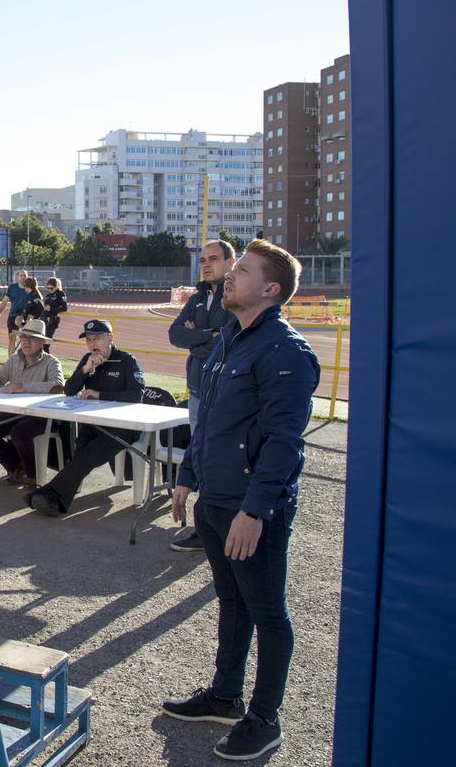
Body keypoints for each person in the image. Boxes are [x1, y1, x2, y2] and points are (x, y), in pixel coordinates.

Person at [161, 239, 320, 762]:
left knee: (267, 612)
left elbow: (284, 442)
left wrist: (255, 511)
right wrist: (187, 474)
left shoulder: (286, 351)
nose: (230, 276)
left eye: (244, 271)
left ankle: (263, 719)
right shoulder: (231, 337)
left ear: (271, 289)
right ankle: (226, 696)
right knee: (232, 603)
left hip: (251, 508)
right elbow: (208, 421)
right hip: (214, 498)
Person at [23, 319, 145, 517]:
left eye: (97, 338)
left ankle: (48, 494)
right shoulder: (88, 359)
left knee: (85, 457)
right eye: (88, 340)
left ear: (110, 339)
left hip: (120, 427)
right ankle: (55, 501)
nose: (92, 344)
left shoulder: (126, 360)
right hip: (93, 424)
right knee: (80, 456)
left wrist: (100, 394)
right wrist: (85, 370)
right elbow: (69, 390)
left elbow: (136, 395)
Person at [166, 239, 236, 552]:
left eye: (214, 259)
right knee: (202, 461)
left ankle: (223, 527)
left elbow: (230, 339)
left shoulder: (235, 295)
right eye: (203, 259)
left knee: (224, 462)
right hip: (197, 393)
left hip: (224, 395)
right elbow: (175, 334)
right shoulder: (196, 297)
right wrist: (209, 335)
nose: (206, 265)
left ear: (230, 262)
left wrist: (196, 338)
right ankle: (205, 527)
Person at [0, 319, 65, 486]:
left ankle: (33, 475)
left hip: (41, 415)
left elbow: (58, 387)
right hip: (14, 412)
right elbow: (0, 375)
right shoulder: (14, 359)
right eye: (23, 337)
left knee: (20, 432)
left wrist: (23, 387)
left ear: (41, 342)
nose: (26, 342)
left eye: (31, 338)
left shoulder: (51, 362)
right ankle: (16, 467)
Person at [0, 270, 30, 355]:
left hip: (25, 318)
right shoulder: (12, 287)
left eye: (24, 275)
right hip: (13, 316)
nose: (22, 277)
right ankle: (10, 361)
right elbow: (5, 301)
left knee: (24, 341)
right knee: (11, 339)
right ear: (18, 277)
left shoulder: (29, 288)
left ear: (27, 277)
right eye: (21, 275)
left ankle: (23, 362)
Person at [41, 277, 69, 351]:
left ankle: (47, 360)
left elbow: (64, 308)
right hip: (44, 319)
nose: (50, 290)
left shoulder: (60, 293)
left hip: (52, 321)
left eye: (51, 288)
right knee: (40, 342)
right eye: (48, 288)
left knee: (46, 344)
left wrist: (52, 309)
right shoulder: (48, 295)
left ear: (57, 286)